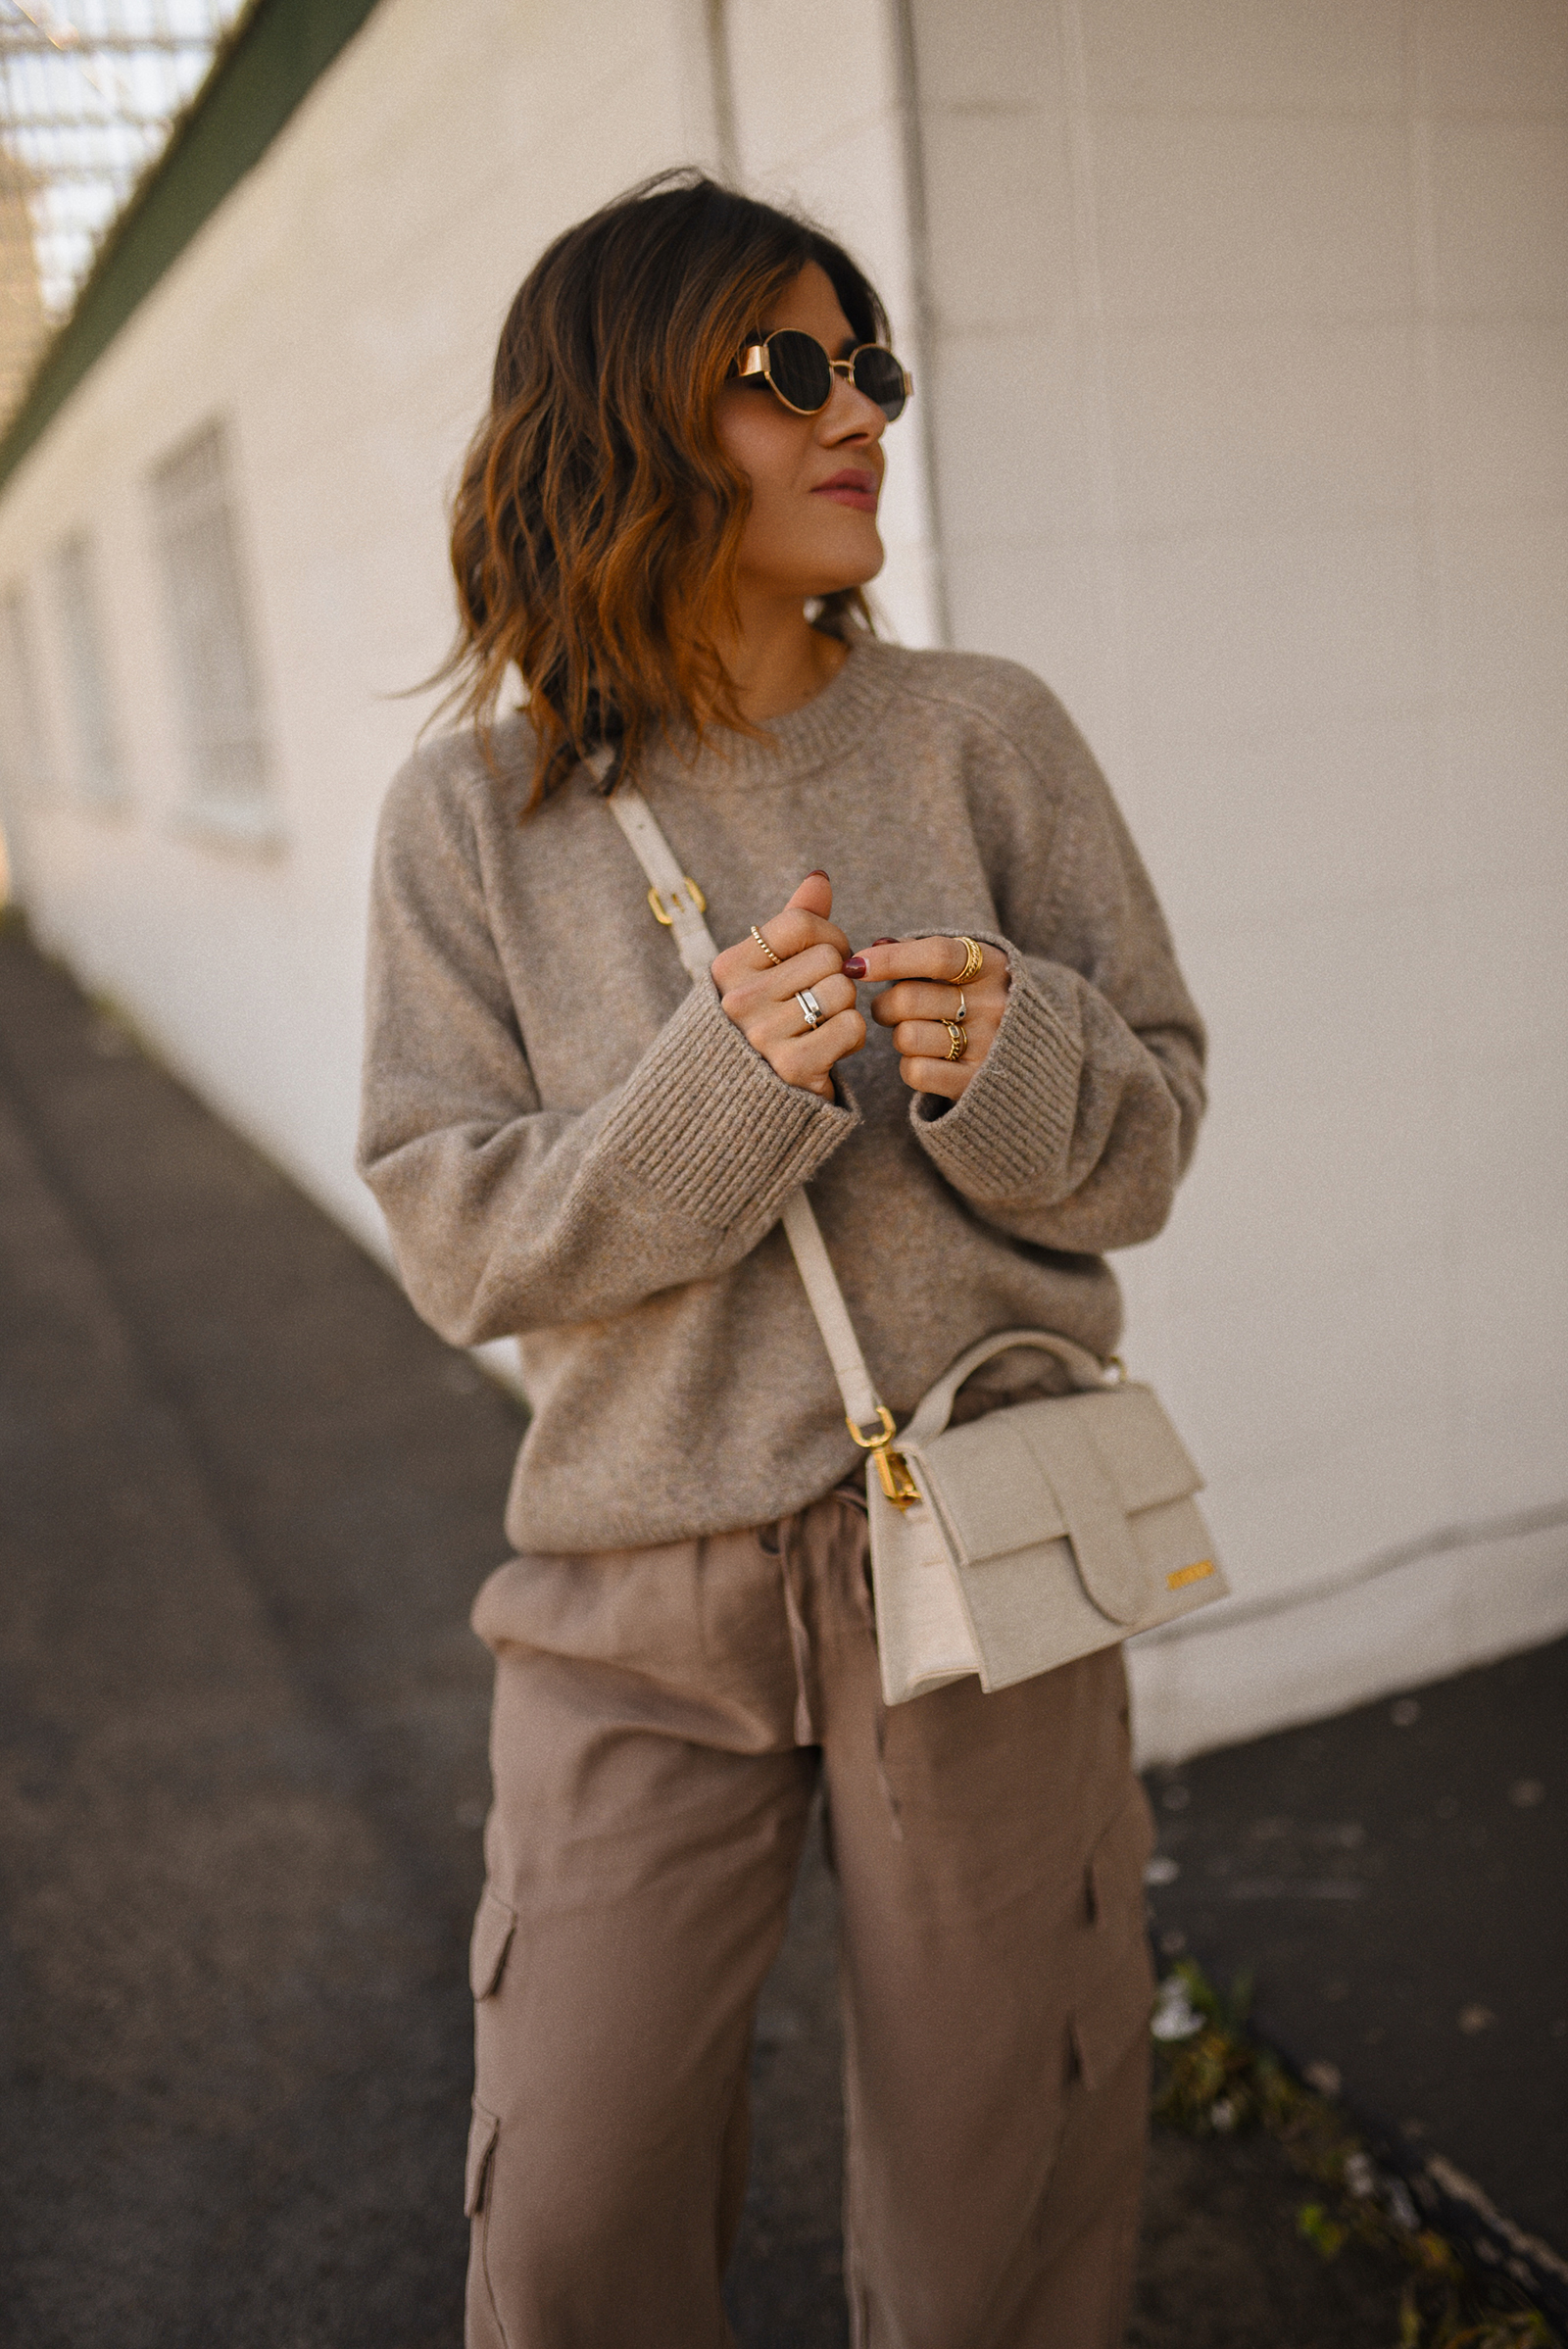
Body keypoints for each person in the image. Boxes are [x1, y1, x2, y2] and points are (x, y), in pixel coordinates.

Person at [357, 170, 1205, 2349]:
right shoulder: (476, 816)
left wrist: (1016, 1058)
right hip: (639, 1582)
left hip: (984, 1549)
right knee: (566, 2211)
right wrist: (716, 1084)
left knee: (994, 2193)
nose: (861, 415)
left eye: (872, 368)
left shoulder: (978, 730)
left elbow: (1149, 1140)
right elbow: (458, 1233)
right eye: (790, 370)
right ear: (628, 410)